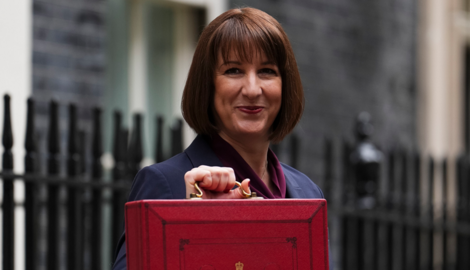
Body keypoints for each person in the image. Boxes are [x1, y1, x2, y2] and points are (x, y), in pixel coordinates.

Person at [112, 7, 326, 270]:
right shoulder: (164, 185)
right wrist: (199, 224)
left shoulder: (308, 192)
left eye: (267, 71)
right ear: (208, 86)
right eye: (234, 70)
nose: (251, 89)